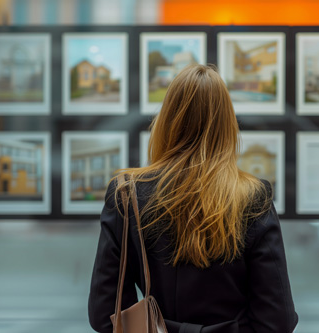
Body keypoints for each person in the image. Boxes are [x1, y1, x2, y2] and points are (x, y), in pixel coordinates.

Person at [88, 64, 298, 333]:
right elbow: (277, 319)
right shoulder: (253, 196)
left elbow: (103, 312)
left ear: (166, 119)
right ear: (227, 123)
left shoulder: (127, 193)